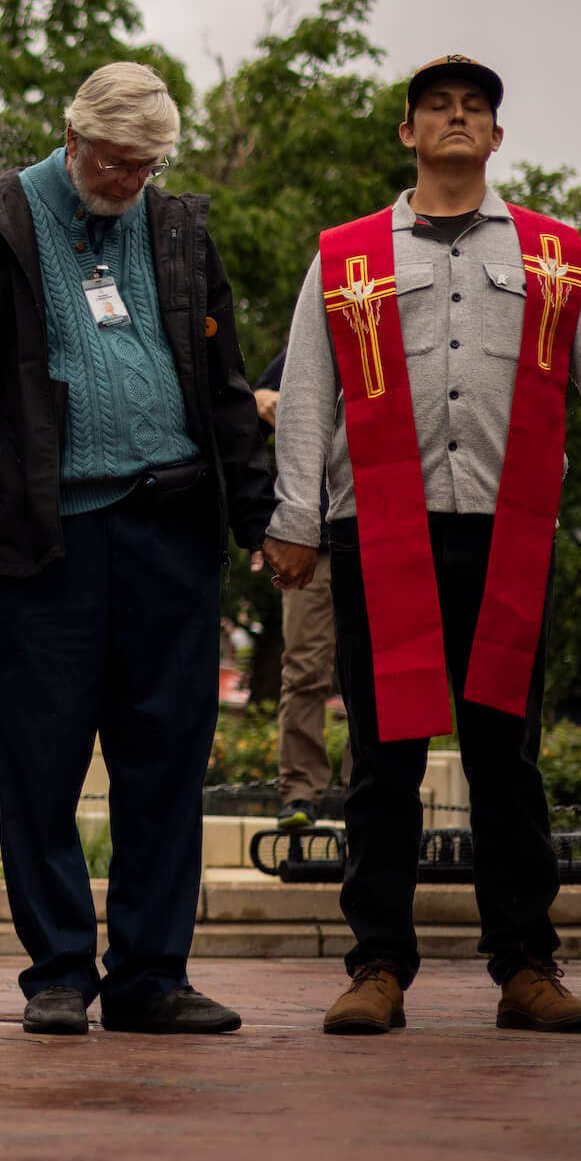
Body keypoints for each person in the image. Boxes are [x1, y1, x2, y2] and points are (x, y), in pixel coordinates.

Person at [263, 54, 581, 1036]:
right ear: (408, 134)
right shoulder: (345, 257)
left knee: (505, 757)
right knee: (382, 757)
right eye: (437, 106)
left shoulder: (553, 255)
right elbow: (306, 393)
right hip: (379, 531)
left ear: (497, 136)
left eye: (474, 107)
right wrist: (292, 519)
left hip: (506, 534)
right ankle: (376, 965)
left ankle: (525, 966)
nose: (456, 118)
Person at [0, 62, 275, 1038]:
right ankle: (59, 972)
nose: (128, 181)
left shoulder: (177, 226)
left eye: (145, 166)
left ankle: (153, 974)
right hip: (47, 539)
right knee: (42, 761)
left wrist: (262, 515)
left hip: (171, 530)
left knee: (165, 761)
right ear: (71, 140)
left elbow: (224, 378)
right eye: (115, 163)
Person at [254, 351, 338, 828]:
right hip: (316, 542)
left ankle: (371, 790)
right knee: (305, 667)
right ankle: (300, 793)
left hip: (386, 535)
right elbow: (250, 412)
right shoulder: (308, 344)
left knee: (381, 671)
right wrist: (261, 399)